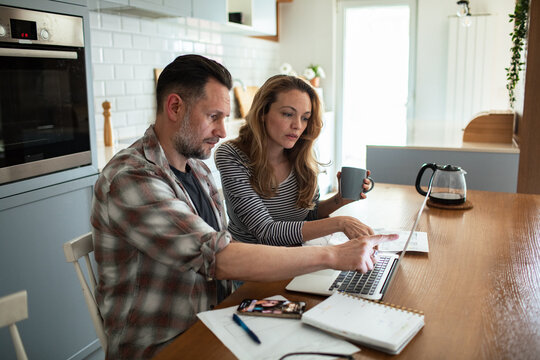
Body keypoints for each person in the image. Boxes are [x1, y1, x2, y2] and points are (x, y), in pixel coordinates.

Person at [91, 54, 397, 359]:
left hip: (222, 315)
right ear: (174, 107)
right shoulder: (131, 178)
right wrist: (333, 254)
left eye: (225, 118)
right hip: (167, 341)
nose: (223, 131)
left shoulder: (197, 170)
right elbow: (220, 257)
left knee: (336, 340)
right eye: (213, 116)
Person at [215, 75, 373, 246]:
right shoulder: (231, 155)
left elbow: (307, 216)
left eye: (305, 118)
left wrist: (340, 199)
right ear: (262, 113)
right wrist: (340, 223)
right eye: (288, 114)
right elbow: (266, 231)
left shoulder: (300, 155)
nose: (297, 125)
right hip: (253, 265)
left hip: (297, 258)